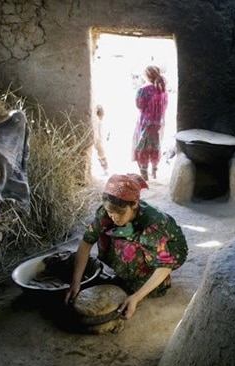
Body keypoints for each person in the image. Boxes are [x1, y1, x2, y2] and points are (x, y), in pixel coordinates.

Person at [64, 173, 188, 320]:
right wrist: (75, 282)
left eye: (121, 213)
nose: (114, 217)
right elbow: (86, 243)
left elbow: (165, 264)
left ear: (134, 204)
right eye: (111, 212)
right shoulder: (106, 213)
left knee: (129, 249)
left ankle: (157, 284)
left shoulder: (152, 224)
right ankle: (128, 273)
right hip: (141, 238)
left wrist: (136, 297)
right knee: (108, 234)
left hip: (171, 251)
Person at [132, 65, 169, 181]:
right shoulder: (163, 91)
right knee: (155, 145)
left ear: (147, 76)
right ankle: (154, 171)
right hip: (158, 124)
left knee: (142, 147)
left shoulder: (143, 90)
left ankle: (144, 174)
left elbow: (139, 106)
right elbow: (165, 107)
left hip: (145, 124)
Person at [94, 104, 109, 175]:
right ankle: (105, 170)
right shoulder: (98, 122)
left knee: (101, 156)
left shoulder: (98, 121)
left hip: (98, 140)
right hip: (98, 140)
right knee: (102, 156)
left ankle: (105, 170)